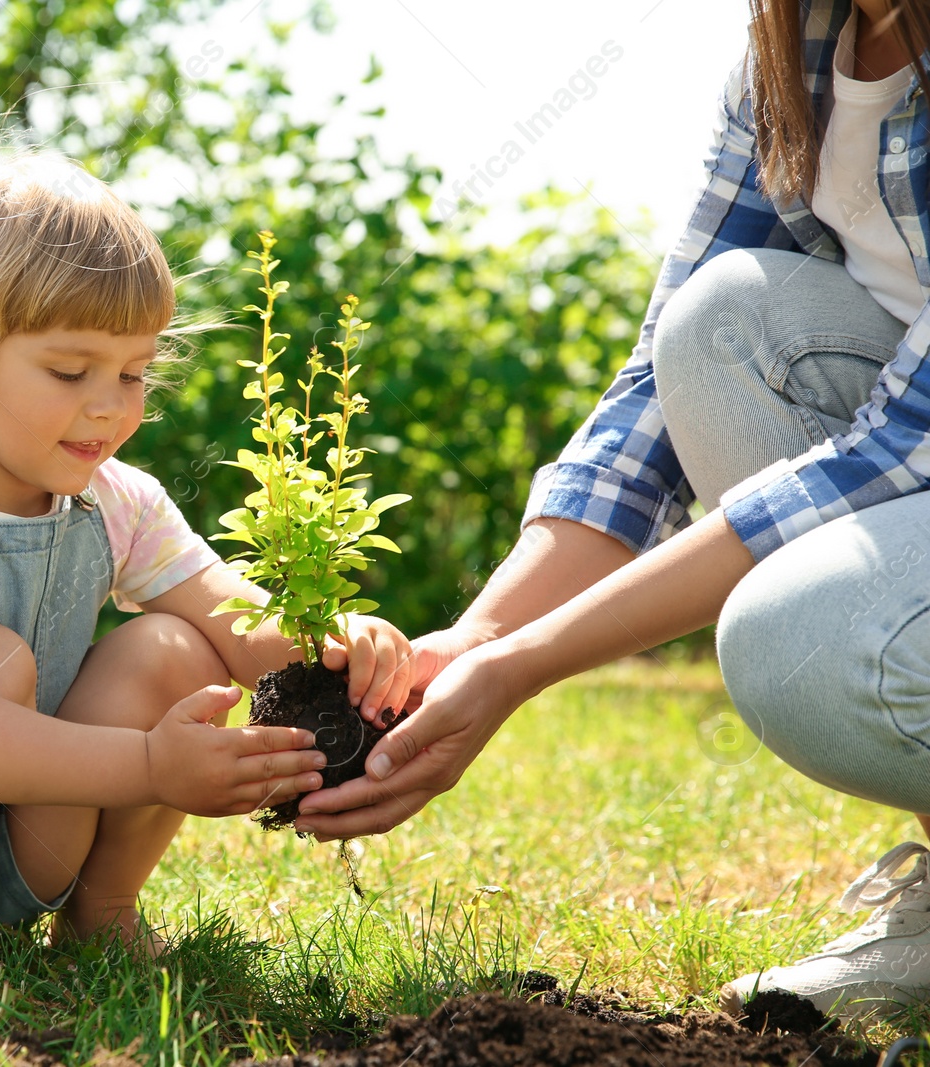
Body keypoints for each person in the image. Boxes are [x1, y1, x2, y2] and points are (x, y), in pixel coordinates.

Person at [294, 0, 930, 1025]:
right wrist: (479, 636)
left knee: (789, 636)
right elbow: (659, 395)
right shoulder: (802, 43)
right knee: (721, 323)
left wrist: (525, 664)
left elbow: (898, 447)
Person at [0, 151, 415, 998]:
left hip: (11, 849)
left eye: (133, 372)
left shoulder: (113, 500)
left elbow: (233, 620)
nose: (113, 405)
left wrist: (333, 643)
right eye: (71, 371)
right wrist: (146, 766)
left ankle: (97, 918)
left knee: (175, 644)